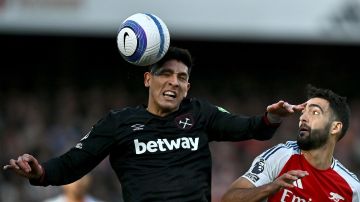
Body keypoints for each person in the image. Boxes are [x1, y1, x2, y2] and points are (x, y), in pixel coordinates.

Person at [3, 47, 304, 202]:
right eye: (166, 74)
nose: (174, 82)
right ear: (148, 79)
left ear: (188, 86)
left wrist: (273, 116)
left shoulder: (201, 114)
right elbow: (72, 164)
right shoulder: (119, 123)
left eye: (182, 77)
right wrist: (40, 172)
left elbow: (252, 127)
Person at [221, 85, 360, 202]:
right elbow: (228, 198)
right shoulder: (282, 154)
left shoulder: (352, 188)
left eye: (315, 112)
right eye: (304, 112)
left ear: (335, 128)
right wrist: (270, 187)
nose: (303, 117)